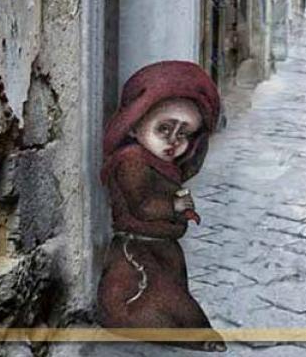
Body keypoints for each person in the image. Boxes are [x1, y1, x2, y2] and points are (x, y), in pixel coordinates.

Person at [96, 61, 225, 352]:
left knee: (173, 297)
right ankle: (195, 336)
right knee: (159, 303)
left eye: (184, 134)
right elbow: (142, 205)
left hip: (163, 251)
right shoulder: (131, 160)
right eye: (164, 128)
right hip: (138, 253)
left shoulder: (161, 164)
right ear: (134, 124)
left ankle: (193, 333)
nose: (173, 141)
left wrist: (181, 210)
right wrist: (174, 206)